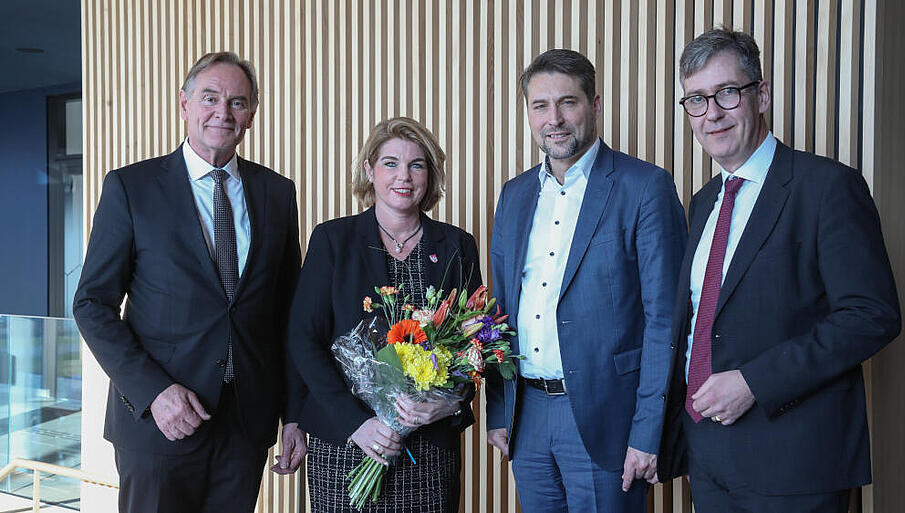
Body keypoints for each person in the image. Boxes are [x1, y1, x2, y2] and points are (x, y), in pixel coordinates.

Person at [656, 28, 901, 512]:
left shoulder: (828, 187)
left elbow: (871, 315)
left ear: (761, 95)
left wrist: (754, 381)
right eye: (697, 100)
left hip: (795, 462)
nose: (713, 114)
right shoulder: (703, 203)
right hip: (708, 457)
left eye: (727, 92)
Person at [73, 52, 306, 513]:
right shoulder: (131, 188)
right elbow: (92, 304)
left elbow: (289, 315)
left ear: (252, 115)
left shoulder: (277, 193)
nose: (223, 111)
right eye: (210, 98)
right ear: (184, 104)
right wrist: (153, 392)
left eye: (238, 102)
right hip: (159, 423)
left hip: (245, 424)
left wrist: (295, 414)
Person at [485, 49, 687, 512]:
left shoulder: (644, 187)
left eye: (567, 102)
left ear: (595, 104)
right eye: (540, 106)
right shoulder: (514, 195)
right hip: (527, 416)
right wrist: (500, 408)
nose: (553, 119)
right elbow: (499, 312)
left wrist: (647, 430)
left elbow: (665, 321)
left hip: (607, 418)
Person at [286, 116, 481, 512]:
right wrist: (356, 424)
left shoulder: (457, 245)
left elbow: (475, 344)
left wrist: (451, 402)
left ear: (430, 174)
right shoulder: (332, 240)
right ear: (368, 170)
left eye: (417, 164)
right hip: (346, 443)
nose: (403, 176)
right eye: (390, 163)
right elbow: (303, 339)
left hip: (429, 449)